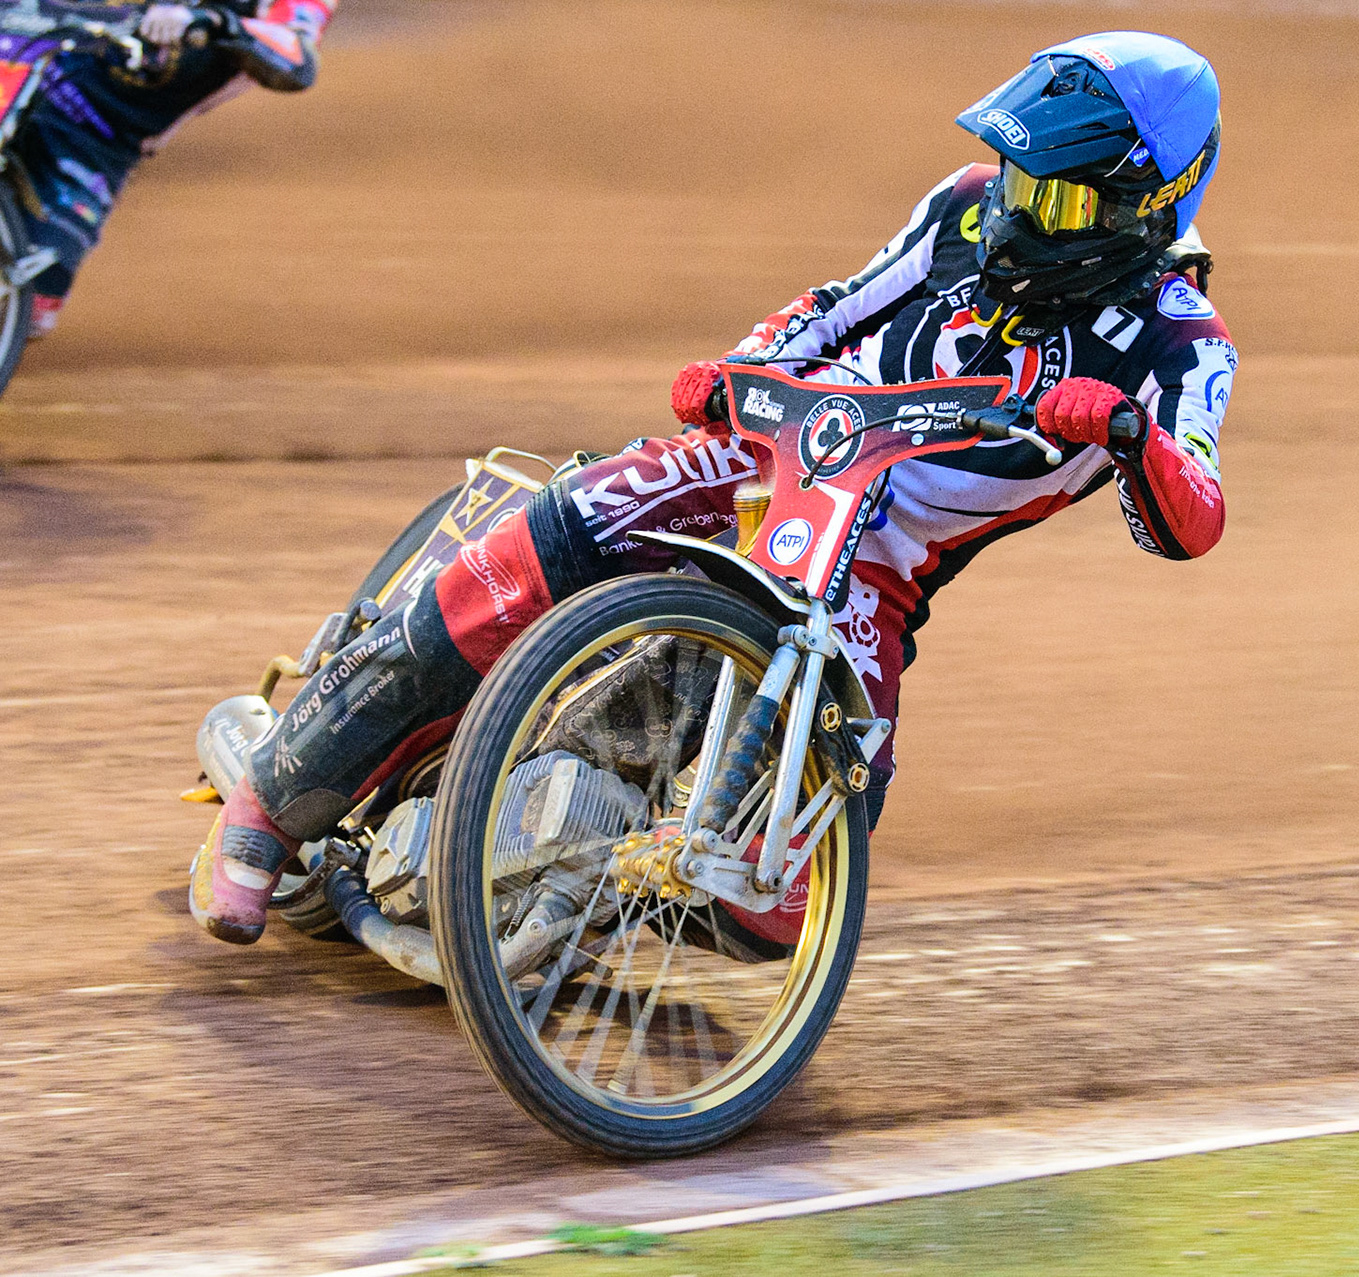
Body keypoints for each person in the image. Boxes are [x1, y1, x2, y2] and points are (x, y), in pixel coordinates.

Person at [190, 29, 1236, 945]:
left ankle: (571, 868)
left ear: (1143, 206)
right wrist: (738, 373)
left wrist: (1130, 432)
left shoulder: (1180, 344)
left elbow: (1190, 520)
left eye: (1050, 195)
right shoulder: (962, 212)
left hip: (876, 574)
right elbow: (832, 307)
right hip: (773, 460)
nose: (1015, 210)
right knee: (555, 529)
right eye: (1013, 175)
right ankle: (273, 796)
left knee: (790, 898)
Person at [6, 0, 334, 337]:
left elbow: (298, 60)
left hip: (96, 138)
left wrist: (217, 23)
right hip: (32, 56)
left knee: (31, 305)